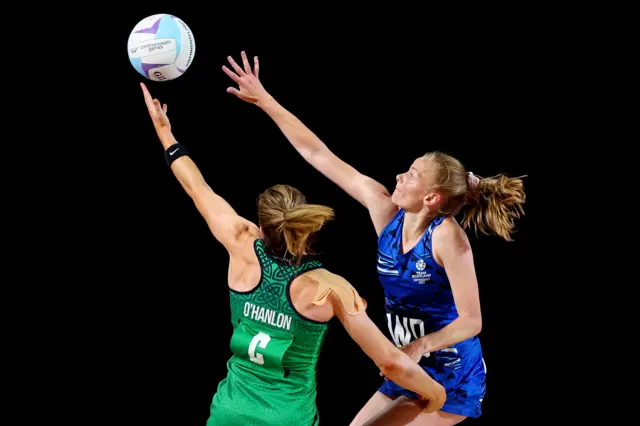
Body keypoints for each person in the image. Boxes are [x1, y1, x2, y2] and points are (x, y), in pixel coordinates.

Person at [222, 52, 526, 425]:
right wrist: (265, 100)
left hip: (451, 375)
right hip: (407, 367)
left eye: (412, 175)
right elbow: (318, 153)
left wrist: (420, 345)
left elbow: (472, 321)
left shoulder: (448, 240)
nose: (400, 175)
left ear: (431, 199)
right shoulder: (385, 211)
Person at [139, 82, 446, 426]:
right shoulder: (328, 289)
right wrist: (436, 393)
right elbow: (390, 362)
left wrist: (167, 136)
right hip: (287, 418)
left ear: (260, 224)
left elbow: (197, 187)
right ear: (308, 227)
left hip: (228, 414)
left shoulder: (239, 244)